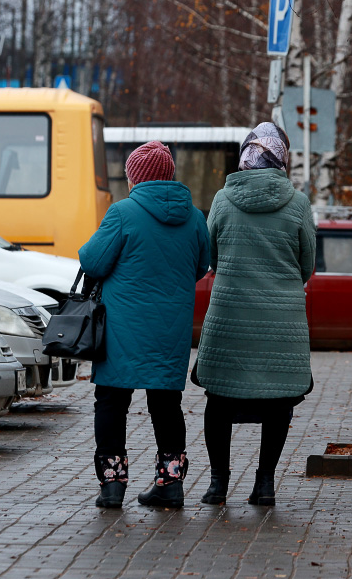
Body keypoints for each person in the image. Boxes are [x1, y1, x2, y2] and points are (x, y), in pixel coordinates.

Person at [78, 140, 209, 509]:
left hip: (122, 328)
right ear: (169, 174)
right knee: (166, 403)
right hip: (171, 329)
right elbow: (201, 266)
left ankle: (113, 485)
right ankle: (169, 484)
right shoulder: (195, 217)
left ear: (135, 176)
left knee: (111, 401)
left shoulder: (123, 212)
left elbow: (93, 262)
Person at [194, 122, 316, 506]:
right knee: (278, 402)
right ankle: (264, 485)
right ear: (282, 157)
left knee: (219, 400)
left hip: (229, 314)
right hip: (282, 319)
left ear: (245, 155)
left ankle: (217, 485)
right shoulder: (297, 203)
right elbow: (307, 264)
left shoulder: (222, 199)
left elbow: (210, 254)